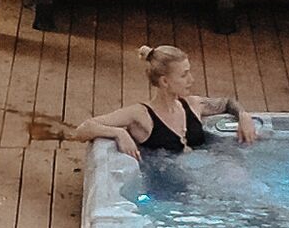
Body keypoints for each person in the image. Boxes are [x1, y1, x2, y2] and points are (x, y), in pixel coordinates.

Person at [76, 44, 252, 158]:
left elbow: (227, 103)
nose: (191, 80)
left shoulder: (192, 104)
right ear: (164, 81)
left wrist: (243, 116)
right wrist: (119, 133)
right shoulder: (141, 115)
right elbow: (83, 129)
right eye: (184, 75)